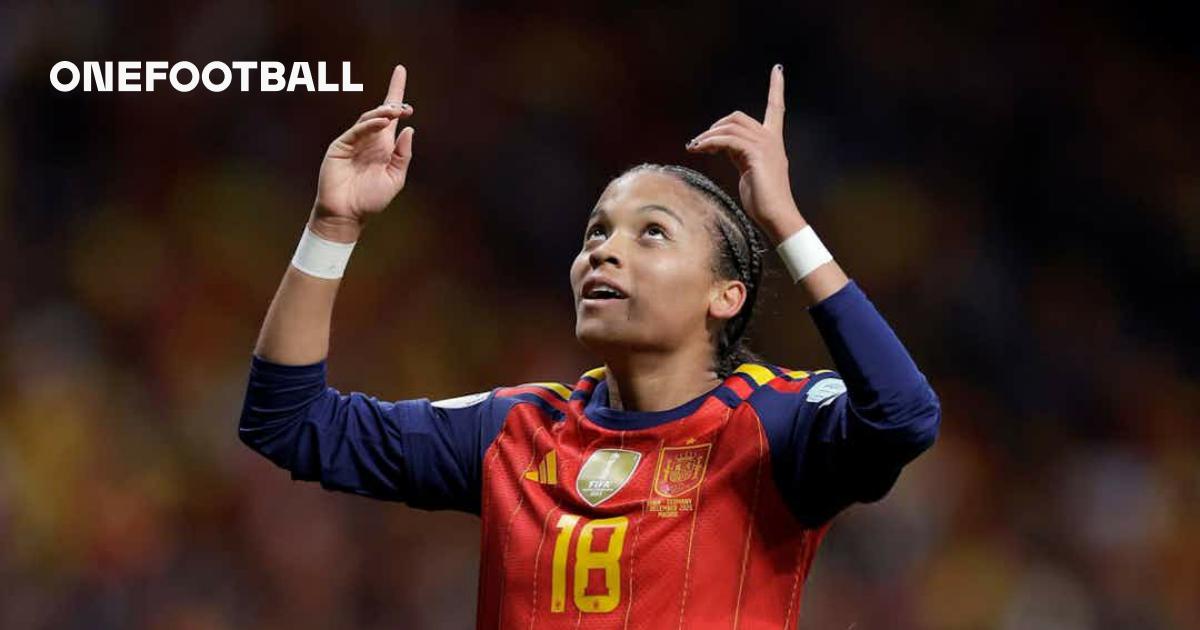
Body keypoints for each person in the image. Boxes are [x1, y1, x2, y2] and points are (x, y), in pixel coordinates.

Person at [239, 63, 940, 628]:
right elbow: (289, 423)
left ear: (725, 295)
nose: (604, 251)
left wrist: (785, 222)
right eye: (596, 233)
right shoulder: (515, 431)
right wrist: (333, 226)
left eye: (652, 232)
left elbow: (903, 415)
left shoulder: (774, 425)